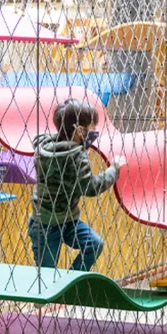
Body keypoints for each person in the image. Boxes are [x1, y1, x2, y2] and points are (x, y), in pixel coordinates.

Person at [29, 99, 123, 272]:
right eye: (92, 129)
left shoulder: (46, 147)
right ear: (80, 131)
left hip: (67, 220)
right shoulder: (76, 157)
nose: (94, 134)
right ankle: (56, 291)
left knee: (94, 244)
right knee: (46, 276)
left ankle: (69, 284)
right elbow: (91, 187)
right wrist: (114, 170)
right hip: (46, 225)